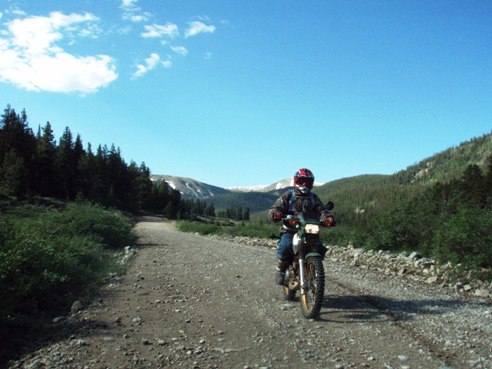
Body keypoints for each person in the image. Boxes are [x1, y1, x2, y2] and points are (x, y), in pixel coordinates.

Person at [268, 168, 334, 285]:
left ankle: (313, 268)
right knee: (285, 246)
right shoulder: (289, 195)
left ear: (311, 183)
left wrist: (328, 218)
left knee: (320, 248)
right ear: (296, 181)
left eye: (307, 182)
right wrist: (276, 213)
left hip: (309, 230)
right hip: (291, 229)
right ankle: (280, 269)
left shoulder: (313, 198)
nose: (304, 184)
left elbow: (322, 210)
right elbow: (275, 208)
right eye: (301, 180)